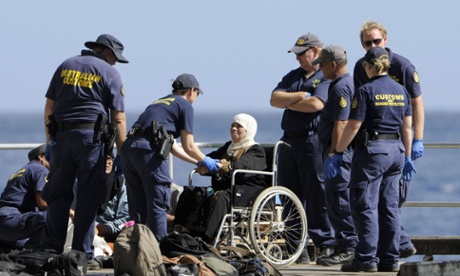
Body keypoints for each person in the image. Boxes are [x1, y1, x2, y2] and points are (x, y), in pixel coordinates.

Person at [325, 47, 416, 272]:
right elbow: (407, 126)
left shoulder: (365, 90)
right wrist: (407, 155)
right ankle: (390, 259)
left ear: (368, 66)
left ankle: (366, 259)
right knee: (390, 207)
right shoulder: (401, 90)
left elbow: (353, 125)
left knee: (365, 205)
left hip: (373, 152)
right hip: (395, 150)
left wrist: (337, 152)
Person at [41, 34, 128, 261]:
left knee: (59, 195)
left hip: (61, 139)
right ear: (108, 52)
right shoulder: (110, 73)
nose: (115, 62)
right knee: (88, 198)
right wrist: (122, 154)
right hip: (91, 142)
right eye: (115, 58)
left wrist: (51, 141)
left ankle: (51, 250)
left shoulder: (65, 65)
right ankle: (81, 254)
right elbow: (118, 119)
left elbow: (49, 108)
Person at [353, 20, 424, 258]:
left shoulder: (402, 66)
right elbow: (358, 108)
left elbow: (416, 104)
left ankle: (389, 249)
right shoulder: (361, 67)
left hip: (399, 142)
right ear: (362, 44)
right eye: (367, 42)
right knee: (382, 200)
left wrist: (417, 140)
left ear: (386, 39)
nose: (373, 45)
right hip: (371, 142)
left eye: (376, 40)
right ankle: (396, 249)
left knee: (391, 199)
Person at [120, 73, 220, 242]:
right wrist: (208, 161)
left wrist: (197, 161)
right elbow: (189, 145)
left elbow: (172, 147)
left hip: (129, 149)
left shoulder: (159, 102)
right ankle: (158, 254)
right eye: (197, 93)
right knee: (158, 203)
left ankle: (137, 251)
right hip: (148, 151)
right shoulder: (185, 105)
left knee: (138, 207)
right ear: (192, 91)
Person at [269, 33, 335, 264]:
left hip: (312, 141)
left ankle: (324, 243)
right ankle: (295, 244)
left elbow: (317, 104)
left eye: (301, 53)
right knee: (288, 194)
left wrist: (289, 102)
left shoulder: (324, 77)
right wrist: (299, 96)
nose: (297, 58)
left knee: (317, 193)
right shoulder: (293, 76)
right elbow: (274, 99)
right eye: (296, 54)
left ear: (315, 52)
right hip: (289, 141)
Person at [174, 113, 267, 243]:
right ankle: (182, 231)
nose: (234, 129)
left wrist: (218, 166)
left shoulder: (256, 151)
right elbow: (210, 158)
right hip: (225, 189)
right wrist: (204, 165)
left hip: (247, 191)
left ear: (248, 130)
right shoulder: (228, 147)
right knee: (190, 191)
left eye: (238, 126)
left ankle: (208, 239)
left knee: (222, 197)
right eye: (232, 126)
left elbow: (239, 167)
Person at [312, 45, 357, 266]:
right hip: (338, 150)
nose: (320, 69)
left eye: (321, 65)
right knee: (336, 200)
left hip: (338, 151)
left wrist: (333, 154)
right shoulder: (344, 83)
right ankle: (345, 244)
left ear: (332, 64)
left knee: (340, 200)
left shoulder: (340, 87)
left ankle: (349, 247)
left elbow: (341, 123)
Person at [0, 144, 50, 251]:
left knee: (15, 251)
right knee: (53, 217)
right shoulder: (41, 170)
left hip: (6, 222)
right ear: (41, 156)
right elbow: (43, 204)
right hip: (13, 219)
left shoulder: (20, 171)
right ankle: (30, 255)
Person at [95, 154, 129, 244]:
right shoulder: (83, 183)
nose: (106, 163)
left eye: (109, 159)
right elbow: (77, 213)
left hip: (115, 236)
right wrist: (94, 227)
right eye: (102, 159)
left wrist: (108, 228)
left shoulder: (121, 184)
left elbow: (125, 219)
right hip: (89, 232)